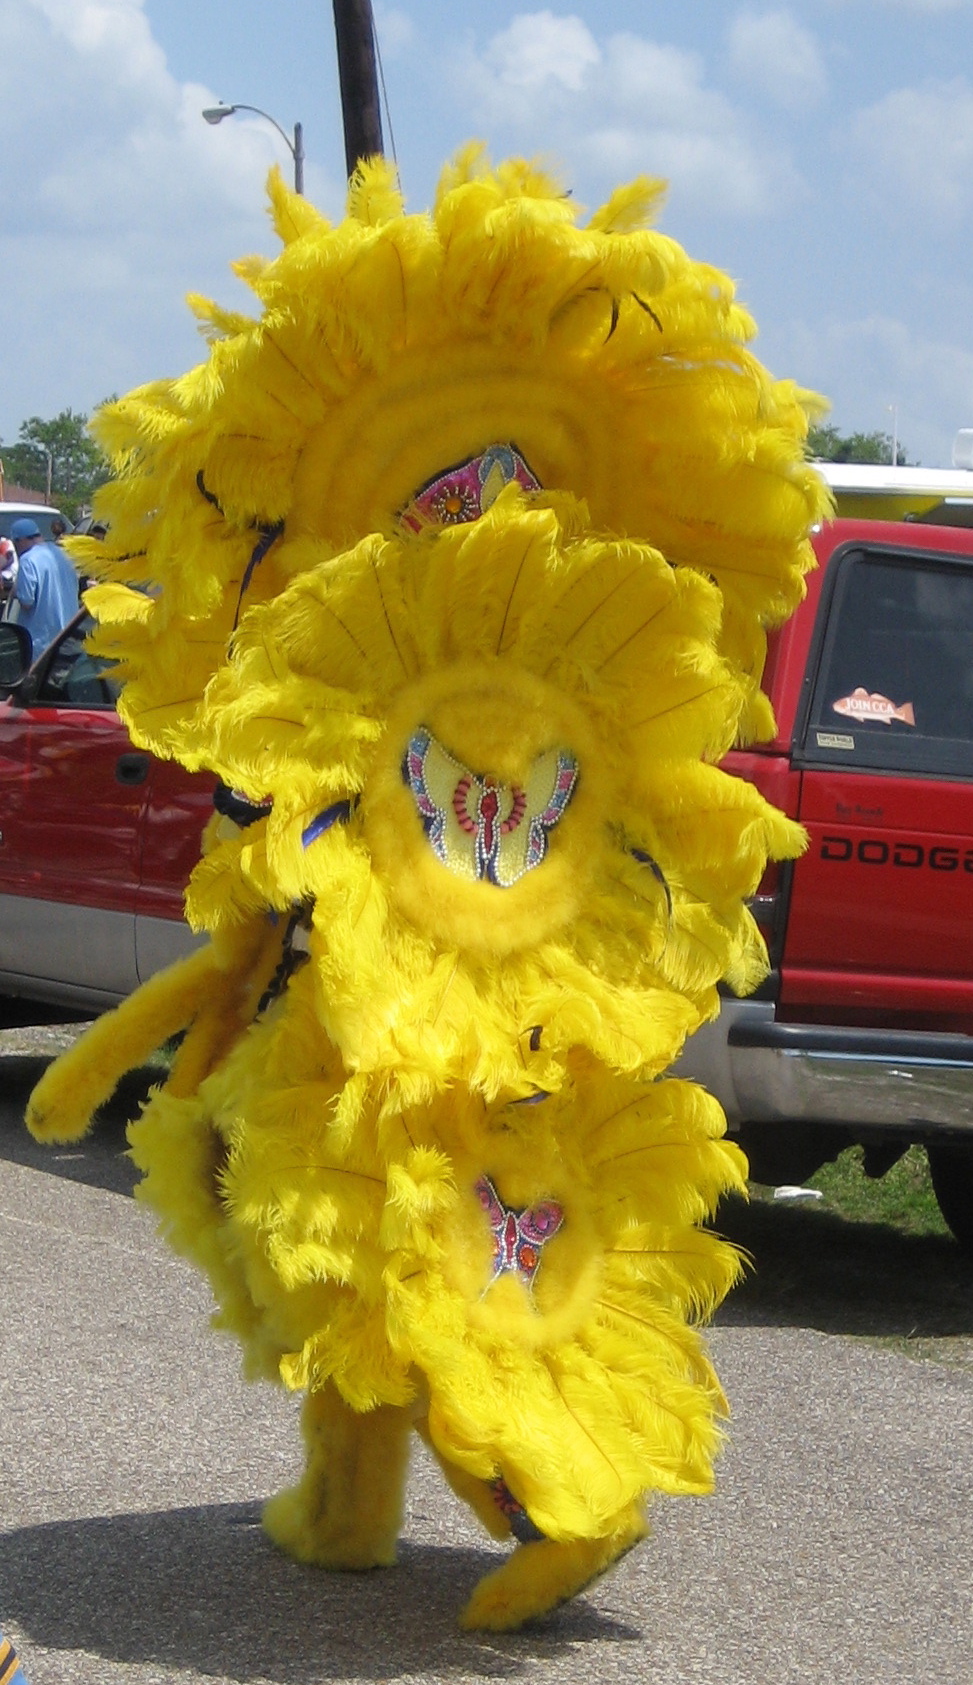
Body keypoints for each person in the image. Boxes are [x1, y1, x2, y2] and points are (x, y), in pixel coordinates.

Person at [0, 517, 80, 655]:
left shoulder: (28, 560)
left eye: (15, 542)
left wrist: (15, 591)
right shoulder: (63, 554)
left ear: (20, 540)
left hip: (42, 642)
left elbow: (26, 602)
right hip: (69, 635)